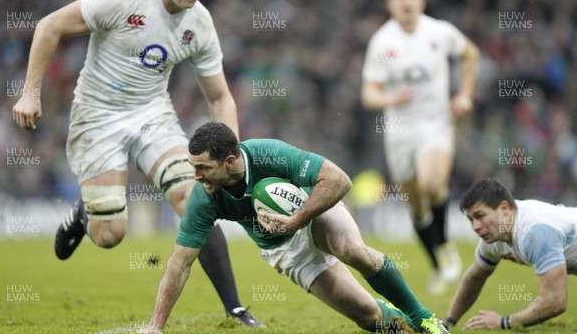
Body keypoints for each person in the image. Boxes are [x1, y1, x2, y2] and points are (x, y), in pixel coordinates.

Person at [11, 0, 262, 327]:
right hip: (97, 116)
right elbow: (48, 26)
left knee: (197, 198)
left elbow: (220, 97)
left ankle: (235, 308)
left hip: (152, 114)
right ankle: (84, 215)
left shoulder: (200, 23)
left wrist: (231, 156)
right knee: (111, 234)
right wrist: (30, 94)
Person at [138, 121, 449, 334]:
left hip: (311, 213)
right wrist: (156, 326)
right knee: (372, 320)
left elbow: (339, 180)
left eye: (203, 168)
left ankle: (425, 320)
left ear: (229, 161)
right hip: (282, 248)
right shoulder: (203, 199)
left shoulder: (269, 153)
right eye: (193, 167)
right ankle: (396, 316)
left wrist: (295, 219)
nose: (197, 176)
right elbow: (180, 264)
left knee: (353, 251)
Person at [361, 0, 480, 294]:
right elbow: (369, 94)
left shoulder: (439, 32)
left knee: (431, 183)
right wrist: (390, 98)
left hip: (435, 121)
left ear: (422, 0)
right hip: (399, 128)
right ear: (389, 5)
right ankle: (439, 264)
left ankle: (443, 244)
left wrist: (465, 95)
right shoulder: (382, 42)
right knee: (414, 205)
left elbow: (471, 53)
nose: (406, 1)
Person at [444, 178, 576, 330]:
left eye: (480, 216)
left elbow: (555, 301)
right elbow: (475, 277)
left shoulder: (536, 232)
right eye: (471, 219)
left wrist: (503, 322)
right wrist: (447, 322)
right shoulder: (495, 236)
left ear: (504, 208)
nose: (475, 226)